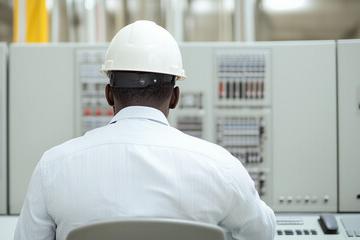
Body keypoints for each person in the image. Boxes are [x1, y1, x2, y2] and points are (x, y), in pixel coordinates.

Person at [14, 20, 276, 240]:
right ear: (174, 98)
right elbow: (264, 233)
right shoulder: (221, 168)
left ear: (108, 94)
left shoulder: (52, 167)